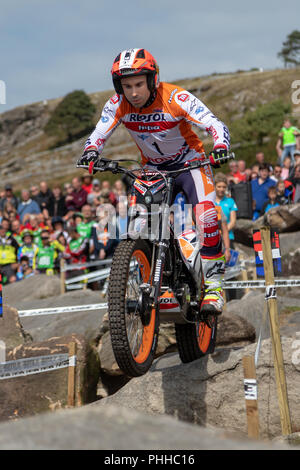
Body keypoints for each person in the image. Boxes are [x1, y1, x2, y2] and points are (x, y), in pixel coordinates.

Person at [77, 48, 231, 317]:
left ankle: (215, 285)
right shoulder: (117, 105)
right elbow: (98, 134)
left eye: (138, 84)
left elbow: (214, 123)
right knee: (142, 224)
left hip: (190, 163)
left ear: (152, 80)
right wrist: (91, 152)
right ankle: (159, 284)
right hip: (153, 169)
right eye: (127, 86)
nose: (133, 92)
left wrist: (220, 145)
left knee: (205, 213)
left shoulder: (175, 97)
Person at [214, 173, 238, 250]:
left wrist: (224, 232)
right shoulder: (209, 201)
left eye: (224, 187)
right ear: (214, 187)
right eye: (219, 187)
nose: (221, 189)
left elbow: (233, 221)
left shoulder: (230, 201)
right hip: (212, 238)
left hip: (228, 237)